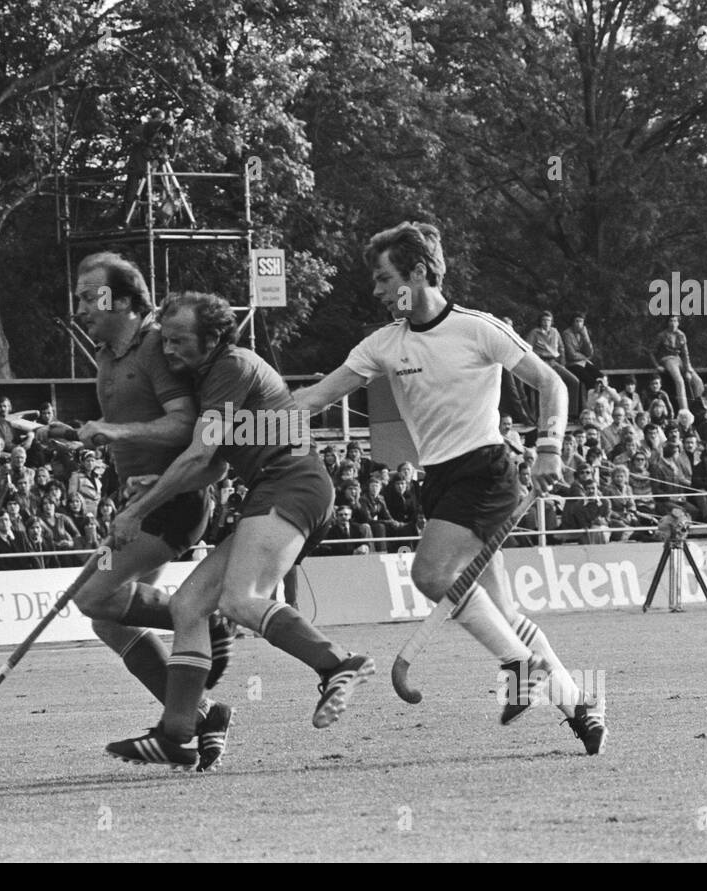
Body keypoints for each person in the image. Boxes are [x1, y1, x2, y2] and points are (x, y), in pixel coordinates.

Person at [293, 221, 605, 753]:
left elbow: (553, 382)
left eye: (384, 278)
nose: (376, 291)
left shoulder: (478, 327)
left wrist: (550, 447)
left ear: (418, 273)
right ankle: (580, 707)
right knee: (503, 614)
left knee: (430, 572)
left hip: (486, 471)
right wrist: (239, 423)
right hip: (437, 481)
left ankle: (518, 668)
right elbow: (314, 399)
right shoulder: (384, 344)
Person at [107, 290, 376, 769]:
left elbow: (199, 455)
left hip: (291, 482)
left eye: (178, 340)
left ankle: (339, 663)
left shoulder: (231, 366)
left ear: (212, 337)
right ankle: (177, 733)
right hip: (273, 487)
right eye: (164, 340)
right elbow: (208, 465)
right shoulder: (211, 375)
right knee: (190, 605)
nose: (168, 350)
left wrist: (137, 510)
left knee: (237, 599)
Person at [66, 252, 235, 771]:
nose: (79, 307)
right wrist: (83, 438)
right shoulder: (105, 355)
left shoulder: (155, 346)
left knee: (92, 596)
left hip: (173, 500)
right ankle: (200, 716)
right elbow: (133, 426)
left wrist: (114, 432)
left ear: (120, 299)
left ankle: (207, 618)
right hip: (135, 501)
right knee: (110, 624)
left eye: (88, 296)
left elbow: (184, 426)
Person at [525, 311, 580, 419]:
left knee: (574, 381)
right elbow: (527, 350)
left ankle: (572, 413)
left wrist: (562, 364)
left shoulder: (555, 332)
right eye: (544, 320)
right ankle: (539, 415)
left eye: (548, 320)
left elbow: (561, 348)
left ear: (552, 322)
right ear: (540, 322)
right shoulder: (534, 333)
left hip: (554, 362)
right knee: (543, 386)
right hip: (540, 363)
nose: (546, 323)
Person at [652, 315, 704, 412]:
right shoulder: (662, 335)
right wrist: (657, 366)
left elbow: (685, 354)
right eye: (671, 321)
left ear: (678, 323)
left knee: (697, 381)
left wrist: (688, 370)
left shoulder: (681, 335)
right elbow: (651, 352)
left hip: (679, 359)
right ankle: (684, 410)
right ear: (668, 322)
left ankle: (700, 408)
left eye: (675, 321)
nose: (673, 323)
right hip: (667, 359)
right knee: (679, 381)